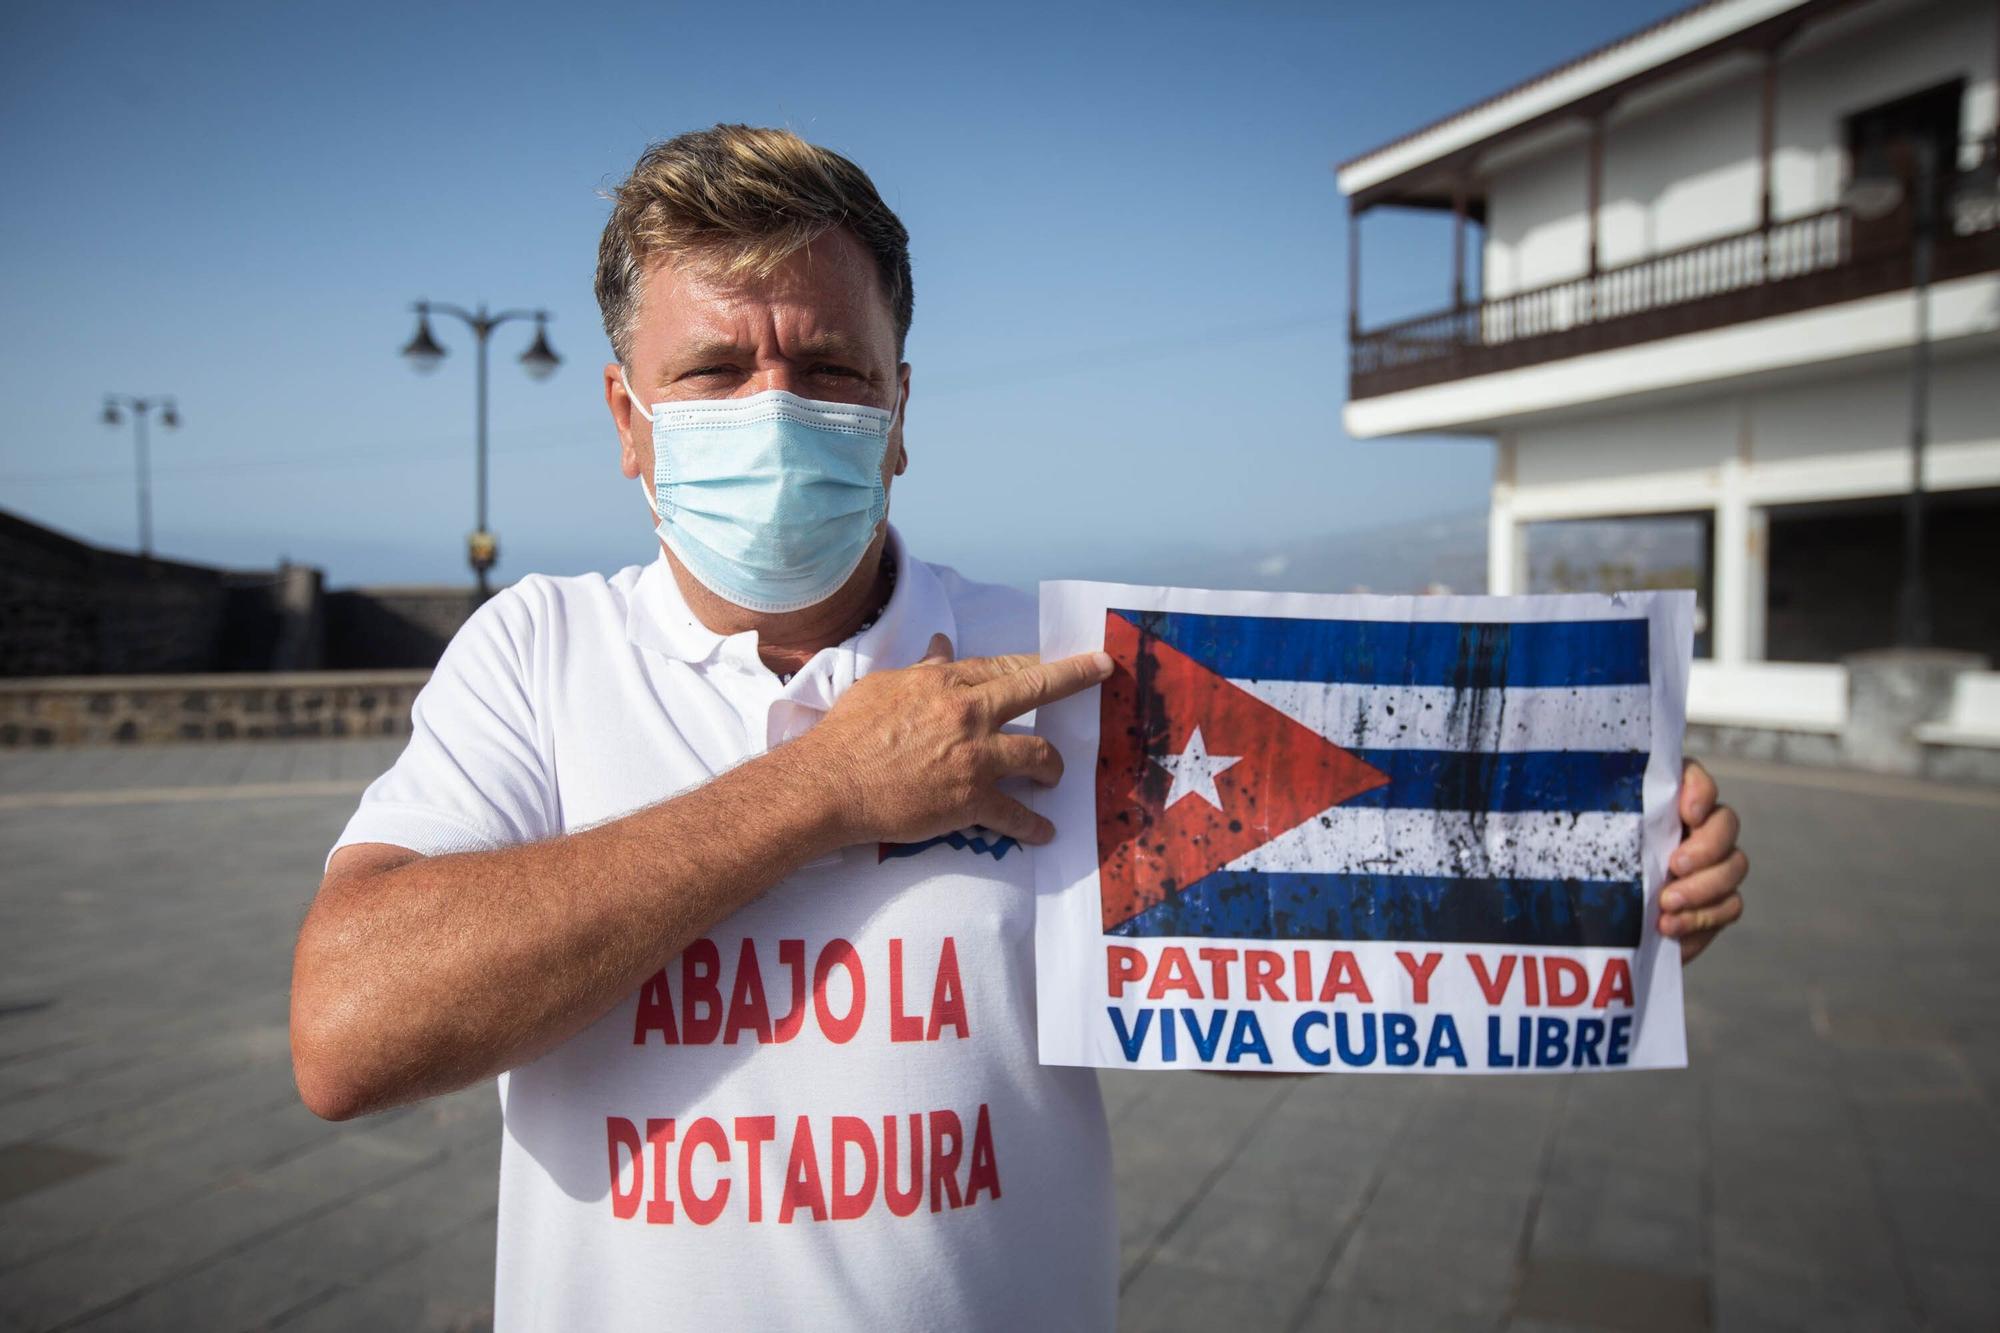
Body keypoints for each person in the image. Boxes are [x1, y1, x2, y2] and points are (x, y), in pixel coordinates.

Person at [290, 124, 1749, 1331]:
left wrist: (1578, 904)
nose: (777, 406)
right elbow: (347, 1033)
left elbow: (1222, 994)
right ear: (626, 418)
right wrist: (821, 789)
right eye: (717, 372)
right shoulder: (538, 655)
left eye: (832, 368)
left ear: (902, 409)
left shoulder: (1062, 660)